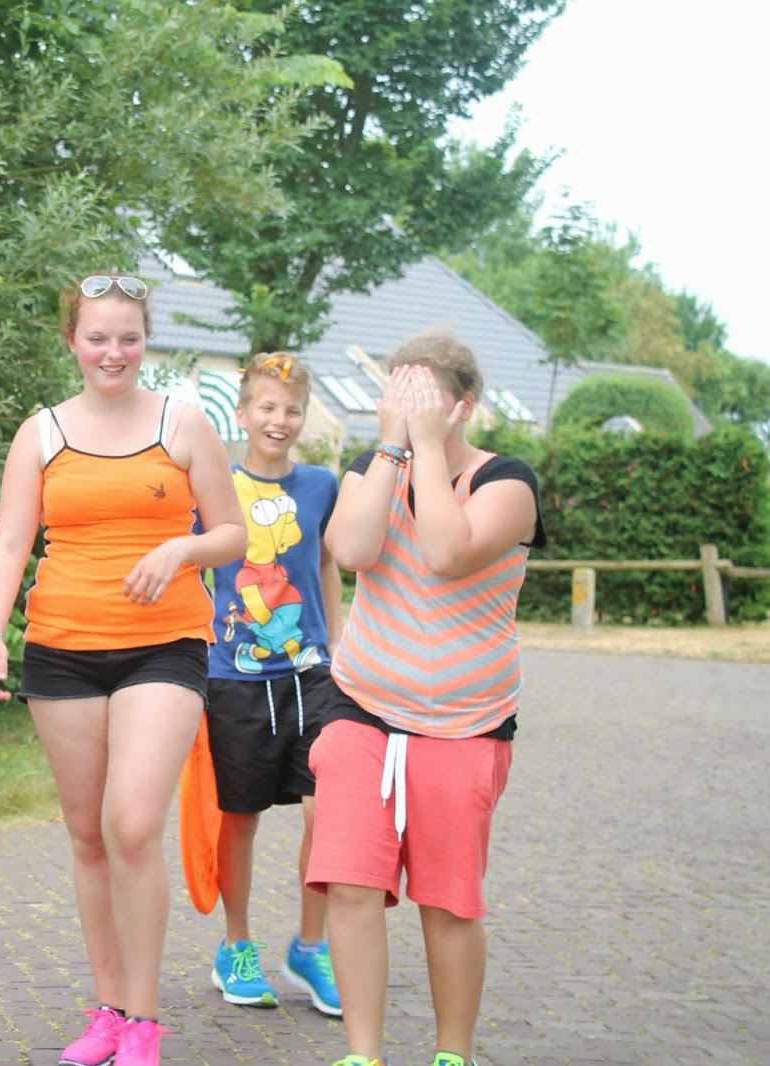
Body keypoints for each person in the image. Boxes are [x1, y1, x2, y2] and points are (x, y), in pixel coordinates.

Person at [0, 274, 247, 1066]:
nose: (113, 352)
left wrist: (182, 547)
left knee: (132, 824)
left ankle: (146, 1021)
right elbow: (9, 541)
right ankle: (108, 1011)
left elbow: (232, 534)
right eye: (98, 337)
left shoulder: (182, 422)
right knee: (90, 834)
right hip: (61, 648)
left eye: (128, 337)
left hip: (165, 645)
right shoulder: (41, 433)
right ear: (73, 341)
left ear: (145, 340)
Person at [311, 332, 546, 1066]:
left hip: (465, 726)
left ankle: (452, 1053)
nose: (407, 408)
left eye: (423, 397)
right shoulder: (371, 468)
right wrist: (392, 449)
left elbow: (446, 552)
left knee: (447, 902)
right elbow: (352, 552)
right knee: (350, 886)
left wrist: (430, 450)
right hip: (362, 710)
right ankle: (363, 1053)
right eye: (397, 391)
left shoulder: (507, 482)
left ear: (464, 406)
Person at [203, 353, 343, 1017]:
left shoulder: (322, 486)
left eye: (291, 409)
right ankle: (235, 946)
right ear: (242, 413)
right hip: (234, 677)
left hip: (312, 673)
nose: (278, 420)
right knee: (240, 817)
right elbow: (193, 571)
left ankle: (311, 947)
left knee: (328, 811)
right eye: (266, 406)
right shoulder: (215, 487)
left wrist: (338, 650)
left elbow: (327, 566)